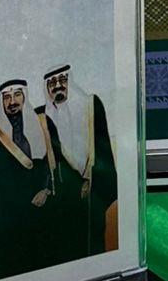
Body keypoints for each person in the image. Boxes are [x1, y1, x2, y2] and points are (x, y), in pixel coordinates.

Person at [42, 64, 117, 259]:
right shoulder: (44, 116)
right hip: (63, 194)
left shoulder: (90, 105)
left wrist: (91, 181)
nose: (57, 86)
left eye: (62, 80)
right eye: (52, 83)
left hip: (92, 190)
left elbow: (102, 147)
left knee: (91, 245)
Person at [0, 77, 54, 277]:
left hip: (39, 204)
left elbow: (51, 161)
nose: (12, 102)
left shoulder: (42, 124)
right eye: (7, 98)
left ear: (24, 97)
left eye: (16, 95)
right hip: (9, 213)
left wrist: (46, 189)